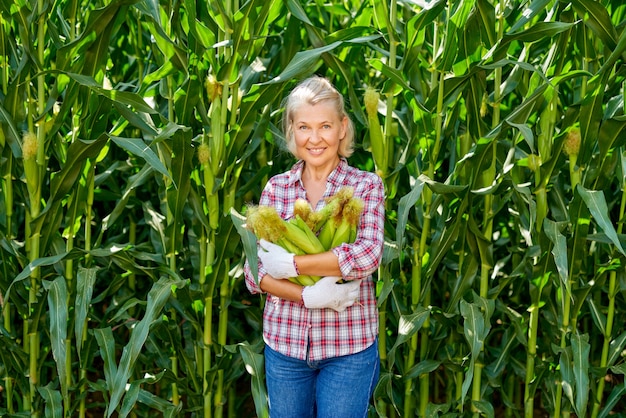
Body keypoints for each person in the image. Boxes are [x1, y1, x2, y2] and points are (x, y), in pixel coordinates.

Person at [244, 76, 385, 418]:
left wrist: (293, 265)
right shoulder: (277, 189)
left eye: (325, 125)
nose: (315, 137)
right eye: (304, 127)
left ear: (342, 128)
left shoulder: (365, 187)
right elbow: (253, 273)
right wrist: (306, 296)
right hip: (285, 346)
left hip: (348, 348)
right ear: (292, 131)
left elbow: (366, 255)